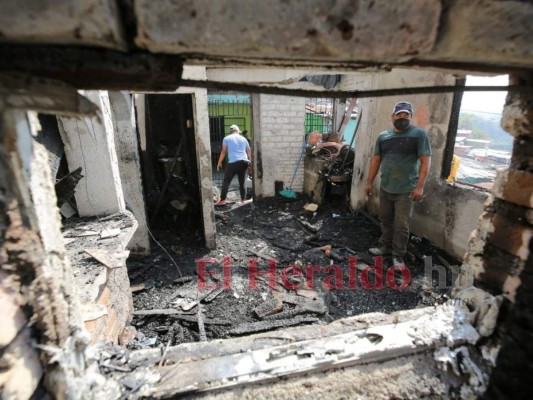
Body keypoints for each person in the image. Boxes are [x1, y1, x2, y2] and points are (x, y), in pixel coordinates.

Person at [364, 101, 432, 266]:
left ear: (410, 116)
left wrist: (420, 187)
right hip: (386, 187)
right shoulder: (383, 136)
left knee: (401, 225)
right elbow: (376, 160)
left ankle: (398, 256)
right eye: (399, 114)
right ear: (392, 116)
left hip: (406, 190)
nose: (402, 117)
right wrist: (369, 182)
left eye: (406, 115)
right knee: (385, 220)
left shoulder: (419, 135)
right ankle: (385, 248)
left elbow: (425, 161)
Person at [215, 124, 252, 205]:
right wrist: (250, 162)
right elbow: (249, 150)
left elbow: (223, 151)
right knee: (242, 182)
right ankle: (243, 200)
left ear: (230, 131)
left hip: (233, 163)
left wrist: (219, 162)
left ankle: (222, 200)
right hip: (244, 162)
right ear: (238, 131)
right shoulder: (243, 138)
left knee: (226, 181)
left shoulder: (226, 138)